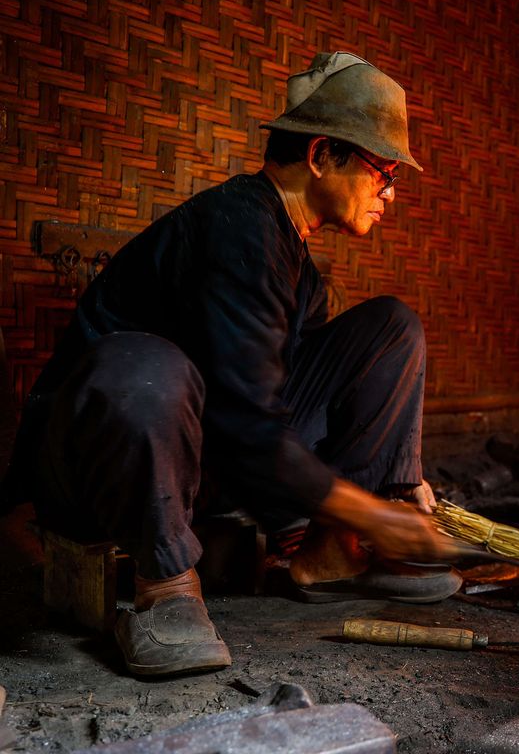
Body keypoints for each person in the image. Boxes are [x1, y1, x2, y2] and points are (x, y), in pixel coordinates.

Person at [0, 52, 455, 677]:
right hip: (102, 461)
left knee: (389, 327)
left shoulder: (298, 268)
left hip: (203, 456)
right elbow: (246, 423)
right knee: (149, 365)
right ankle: (165, 586)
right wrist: (368, 512)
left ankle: (329, 553)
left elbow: (279, 405)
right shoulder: (237, 224)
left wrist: (390, 491)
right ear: (322, 156)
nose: (392, 194)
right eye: (384, 173)